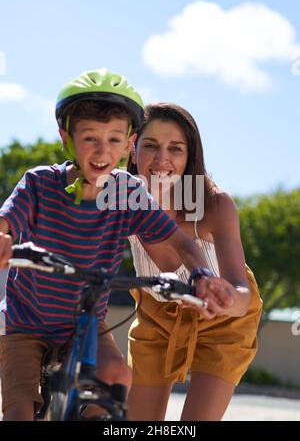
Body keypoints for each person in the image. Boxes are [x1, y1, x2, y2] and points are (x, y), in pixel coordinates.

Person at [0, 70, 243, 421]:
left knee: (118, 376)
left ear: (129, 143)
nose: (103, 152)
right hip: (26, 324)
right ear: (66, 138)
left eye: (115, 140)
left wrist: (201, 274)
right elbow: (7, 220)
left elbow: (180, 241)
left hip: (86, 324)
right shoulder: (40, 184)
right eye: (90, 139)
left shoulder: (128, 192)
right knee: (19, 411)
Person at [126, 102, 262, 421]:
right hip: (156, 313)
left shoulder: (214, 204)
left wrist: (224, 301)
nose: (162, 160)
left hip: (224, 320)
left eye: (175, 148)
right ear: (132, 150)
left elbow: (241, 293)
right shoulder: (120, 197)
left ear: (189, 157)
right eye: (150, 146)